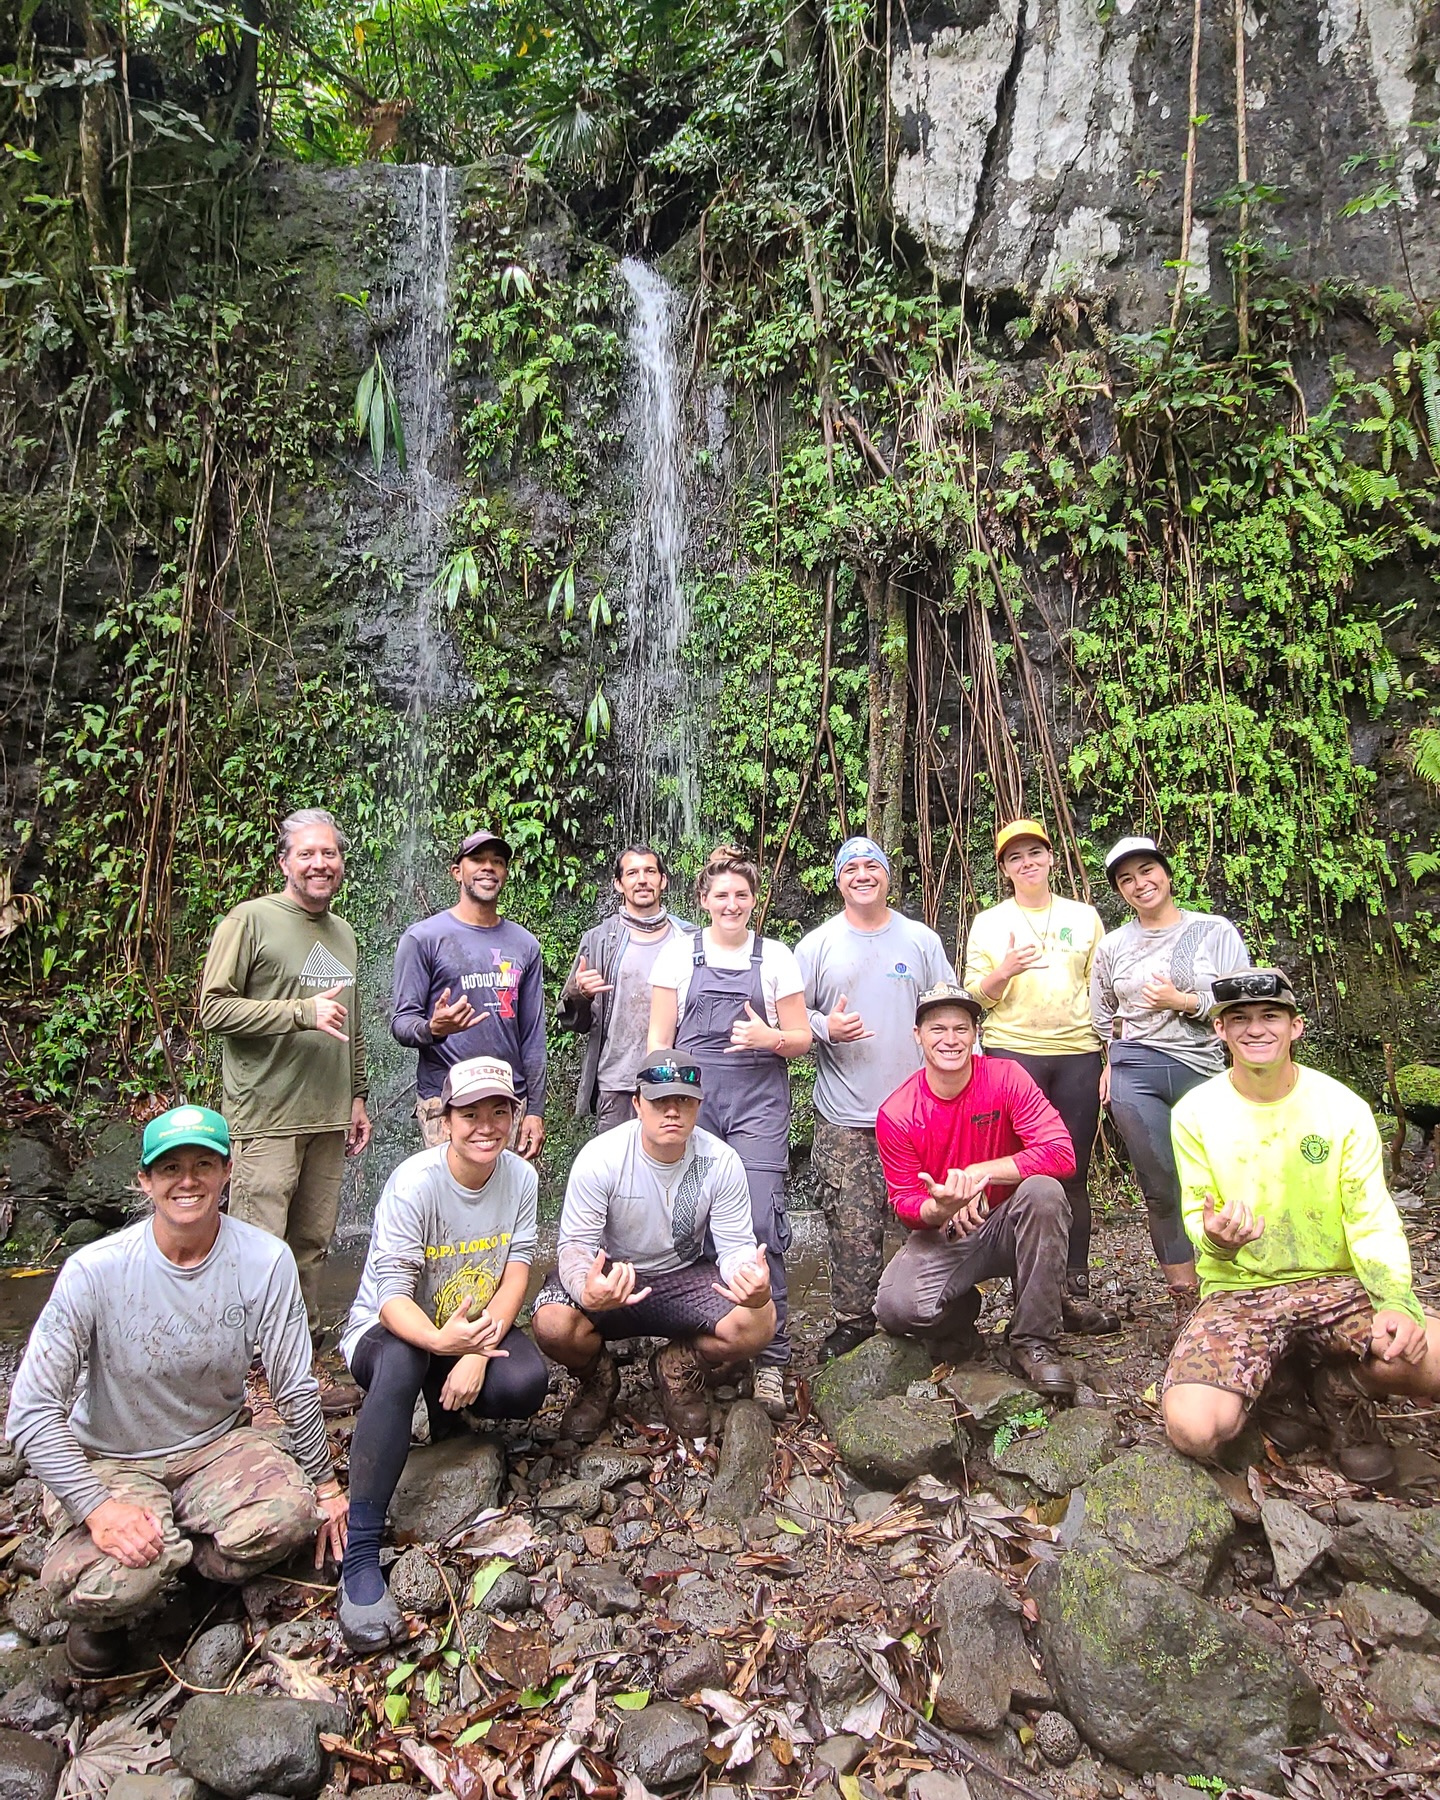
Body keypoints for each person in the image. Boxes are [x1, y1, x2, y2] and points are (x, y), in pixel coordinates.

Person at [5, 1106, 347, 1677]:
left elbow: (295, 1385)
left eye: (202, 1165)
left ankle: (185, 1559)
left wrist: (327, 1484)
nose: (187, 1181)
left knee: (292, 1516)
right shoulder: (95, 1271)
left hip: (216, 1446)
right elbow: (30, 1412)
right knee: (98, 1583)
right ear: (145, 1180)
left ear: (227, 1172)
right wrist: (99, 1508)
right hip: (113, 1458)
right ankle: (142, 1573)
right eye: (170, 1168)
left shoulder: (265, 1261)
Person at [1161, 969, 1440, 1486]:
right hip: (1242, 1291)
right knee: (1194, 1428)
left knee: (1431, 1355)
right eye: (1238, 1019)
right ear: (1220, 1031)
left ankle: (1341, 1386)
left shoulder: (1342, 1109)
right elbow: (1200, 1220)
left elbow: (1370, 1216)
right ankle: (1279, 1385)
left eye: (1270, 1016)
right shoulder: (1195, 1114)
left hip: (1335, 1285)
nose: (1255, 1029)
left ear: (1297, 1027)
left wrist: (1395, 1299)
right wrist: (1218, 1239)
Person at [335, 1056, 549, 1650]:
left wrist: (477, 1350)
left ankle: (450, 1416)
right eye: (470, 1114)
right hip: (394, 1332)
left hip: (468, 1328)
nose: (486, 1126)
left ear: (513, 1116)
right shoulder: (414, 1183)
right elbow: (391, 1302)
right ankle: (360, 1554)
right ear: (445, 1120)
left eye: (498, 1113)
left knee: (525, 1381)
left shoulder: (521, 1180)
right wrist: (440, 1344)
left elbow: (516, 1275)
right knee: (405, 1359)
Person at [531, 1054, 776, 1441]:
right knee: (551, 1323)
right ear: (637, 1104)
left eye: (683, 1101)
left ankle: (677, 1366)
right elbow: (575, 1245)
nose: (672, 1112)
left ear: (699, 1104)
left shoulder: (720, 1161)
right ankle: (599, 1379)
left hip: (683, 1277)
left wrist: (751, 1280)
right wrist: (585, 1288)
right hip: (615, 1274)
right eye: (660, 1102)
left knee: (760, 1319)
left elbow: (734, 1247)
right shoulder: (601, 1158)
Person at [647, 846, 811, 1419]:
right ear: (703, 901)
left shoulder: (778, 958)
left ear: (753, 900)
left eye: (742, 894)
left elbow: (801, 1039)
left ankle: (773, 1357)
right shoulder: (675, 957)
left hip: (758, 1105)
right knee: (692, 1219)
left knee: (762, 1220)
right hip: (694, 1105)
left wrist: (770, 1041)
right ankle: (709, 1338)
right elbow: (657, 1046)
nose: (732, 903)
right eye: (722, 895)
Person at [199, 807, 371, 1336]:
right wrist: (300, 1012)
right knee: (260, 1244)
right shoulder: (249, 920)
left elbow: (352, 1019)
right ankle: (250, 1354)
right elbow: (212, 1009)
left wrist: (358, 1096)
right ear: (284, 863)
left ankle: (302, 1345)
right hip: (267, 1114)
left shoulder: (342, 932)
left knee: (312, 1243)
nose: (320, 863)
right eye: (308, 854)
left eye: (330, 853)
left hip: (327, 1113)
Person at [794, 835, 956, 1362]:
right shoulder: (817, 946)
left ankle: (935, 1307)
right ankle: (854, 1319)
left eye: (872, 866)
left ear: (888, 876)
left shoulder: (920, 940)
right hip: (846, 1113)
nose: (862, 874)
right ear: (838, 880)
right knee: (853, 1221)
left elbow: (946, 1011)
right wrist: (825, 1026)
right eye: (850, 868)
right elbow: (788, 1020)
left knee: (932, 1213)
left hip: (917, 1111)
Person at [874, 982, 1078, 1397]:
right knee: (896, 1308)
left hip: (1011, 1221)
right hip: (946, 1231)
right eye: (937, 1029)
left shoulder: (1006, 1078)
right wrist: (941, 1206)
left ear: (975, 1034)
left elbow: (1061, 1153)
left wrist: (977, 1173)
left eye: (961, 1029)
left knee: (1044, 1192)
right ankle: (962, 1317)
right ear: (917, 1035)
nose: (950, 1040)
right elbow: (906, 1205)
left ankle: (1033, 1342)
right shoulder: (897, 1113)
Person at [1091, 835, 1251, 1326]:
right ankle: (1186, 1300)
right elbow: (1103, 1014)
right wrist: (1111, 1062)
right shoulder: (1113, 945)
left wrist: (1182, 1002)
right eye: (1127, 879)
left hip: (1203, 1069)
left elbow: (1244, 1001)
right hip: (1135, 1070)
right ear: (1120, 890)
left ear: (1166, 871)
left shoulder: (1213, 930)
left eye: (1147, 871)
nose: (1140, 884)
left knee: (1224, 1177)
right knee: (1161, 1185)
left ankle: (1236, 1285)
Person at [963, 819, 1115, 1335]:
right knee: (1020, 1171)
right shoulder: (988, 923)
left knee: (1072, 1169)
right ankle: (1024, 1288)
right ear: (1004, 869)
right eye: (1015, 858)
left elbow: (1106, 992)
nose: (1027, 863)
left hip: (1077, 1052)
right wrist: (1003, 969)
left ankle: (1073, 1287)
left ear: (1051, 858)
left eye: (1035, 853)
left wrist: (1109, 1057)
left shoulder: (1085, 917)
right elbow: (974, 998)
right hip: (1012, 1053)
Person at [391, 829, 547, 1160]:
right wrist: (433, 1029)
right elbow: (402, 1023)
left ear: (505, 873)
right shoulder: (423, 939)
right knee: (449, 1205)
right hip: (446, 1101)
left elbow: (533, 1036)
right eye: (477, 859)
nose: (487, 867)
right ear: (456, 871)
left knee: (504, 1206)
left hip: (508, 1100)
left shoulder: (525, 945)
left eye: (497, 861)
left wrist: (535, 1108)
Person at [558, 846, 694, 1133]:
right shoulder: (599, 940)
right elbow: (573, 1020)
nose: (642, 879)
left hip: (676, 1080)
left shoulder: (691, 940)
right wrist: (579, 995)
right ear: (619, 884)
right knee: (616, 1174)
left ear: (664, 880)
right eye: (632, 873)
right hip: (617, 1082)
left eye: (650, 871)